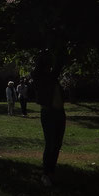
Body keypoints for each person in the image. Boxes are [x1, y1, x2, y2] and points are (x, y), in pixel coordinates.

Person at [32, 52, 66, 187]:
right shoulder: (40, 77)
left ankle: (51, 172)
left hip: (59, 112)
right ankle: (46, 174)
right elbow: (56, 68)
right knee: (51, 143)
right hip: (49, 113)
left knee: (57, 144)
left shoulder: (51, 78)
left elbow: (56, 69)